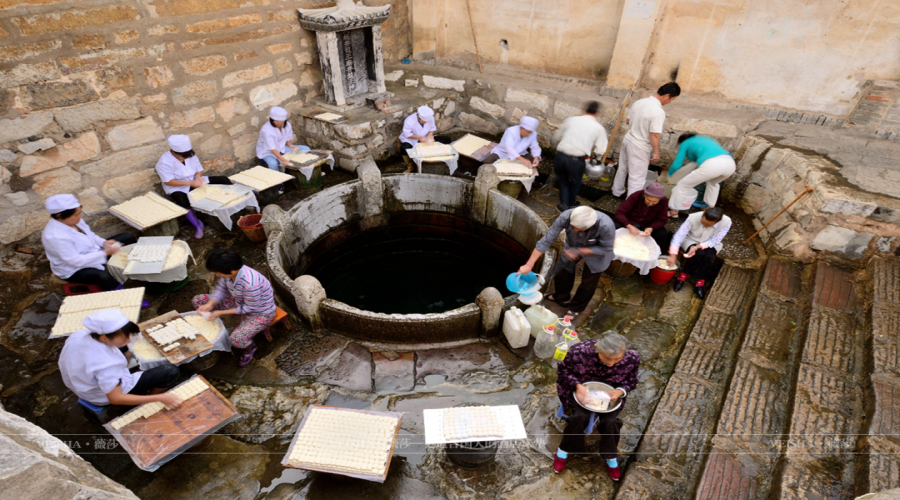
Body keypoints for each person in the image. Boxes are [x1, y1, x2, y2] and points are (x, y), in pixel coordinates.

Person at [553, 332, 639, 480]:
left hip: (611, 394)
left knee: (610, 422)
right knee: (579, 417)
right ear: (597, 348)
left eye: (617, 359)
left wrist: (620, 391)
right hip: (580, 391)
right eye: (606, 358)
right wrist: (577, 386)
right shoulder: (579, 352)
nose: (611, 363)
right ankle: (563, 450)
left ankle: (610, 457)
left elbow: (632, 380)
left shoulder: (632, 358)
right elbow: (563, 371)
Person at [59, 309, 181, 410]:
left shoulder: (79, 335)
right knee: (170, 371)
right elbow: (115, 398)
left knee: (127, 347)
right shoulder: (107, 365)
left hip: (80, 383)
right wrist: (160, 398)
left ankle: (127, 355)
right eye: (124, 339)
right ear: (103, 338)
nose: (128, 341)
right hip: (101, 395)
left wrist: (126, 351)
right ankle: (145, 404)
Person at [519, 206, 615, 318]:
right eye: (572, 227)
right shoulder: (566, 216)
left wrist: (580, 251)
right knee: (562, 271)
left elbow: (607, 248)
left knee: (588, 283)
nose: (575, 230)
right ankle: (562, 298)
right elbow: (546, 240)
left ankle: (576, 308)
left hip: (597, 253)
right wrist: (529, 264)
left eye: (580, 229)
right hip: (572, 245)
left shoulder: (606, 226)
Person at [193, 249, 277, 367]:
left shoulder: (250, 283)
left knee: (236, 339)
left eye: (218, 272)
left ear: (232, 270)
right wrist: (210, 304)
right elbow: (221, 288)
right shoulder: (230, 272)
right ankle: (213, 325)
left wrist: (221, 312)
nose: (217, 275)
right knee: (198, 300)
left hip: (260, 313)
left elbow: (249, 308)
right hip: (239, 302)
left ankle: (250, 347)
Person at [42, 193, 138, 292]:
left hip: (93, 252)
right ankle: (122, 294)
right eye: (76, 214)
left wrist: (104, 242)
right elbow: (75, 261)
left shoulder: (73, 220)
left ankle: (136, 271)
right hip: (74, 269)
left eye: (79, 213)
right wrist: (105, 252)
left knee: (127, 237)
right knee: (103, 276)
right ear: (59, 215)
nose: (80, 217)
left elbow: (90, 235)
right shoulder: (54, 236)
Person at [155, 134, 233, 239]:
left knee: (223, 180)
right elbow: (168, 181)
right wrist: (191, 184)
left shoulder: (190, 155)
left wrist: (197, 177)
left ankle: (231, 206)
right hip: (178, 186)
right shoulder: (164, 162)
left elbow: (199, 170)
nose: (185, 158)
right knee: (182, 200)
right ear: (173, 152)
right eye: (182, 156)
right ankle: (197, 225)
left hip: (194, 180)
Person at [612, 82, 681, 199]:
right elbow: (654, 135)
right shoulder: (658, 112)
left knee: (622, 169)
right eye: (672, 99)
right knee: (637, 178)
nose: (670, 102)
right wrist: (656, 152)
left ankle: (617, 191)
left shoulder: (639, 102)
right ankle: (631, 203)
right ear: (666, 96)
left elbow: (628, 121)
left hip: (628, 139)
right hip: (640, 145)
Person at [552, 101, 609, 212]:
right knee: (576, 182)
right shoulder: (598, 128)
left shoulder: (571, 120)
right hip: (576, 160)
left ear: (585, 110)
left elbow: (556, 137)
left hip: (560, 156)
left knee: (563, 180)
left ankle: (565, 204)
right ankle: (570, 203)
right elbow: (601, 149)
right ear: (597, 113)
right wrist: (596, 156)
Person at [665, 133, 736, 218]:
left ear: (682, 141)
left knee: (682, 186)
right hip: (730, 164)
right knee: (713, 183)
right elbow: (697, 160)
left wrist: (669, 174)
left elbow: (677, 164)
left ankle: (673, 212)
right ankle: (709, 208)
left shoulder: (685, 143)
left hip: (712, 165)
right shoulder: (707, 139)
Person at [666, 207, 731, 299]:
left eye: (708, 225)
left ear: (716, 222)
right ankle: (683, 275)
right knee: (699, 254)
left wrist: (697, 247)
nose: (704, 225)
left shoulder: (726, 222)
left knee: (709, 257)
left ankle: (701, 281)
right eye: (703, 222)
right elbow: (679, 236)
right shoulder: (692, 218)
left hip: (710, 242)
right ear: (703, 214)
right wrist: (673, 255)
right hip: (691, 239)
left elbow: (716, 239)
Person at [613, 182, 672, 252]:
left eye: (655, 202)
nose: (650, 203)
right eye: (648, 200)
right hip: (630, 220)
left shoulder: (664, 201)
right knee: (613, 225)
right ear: (645, 195)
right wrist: (628, 225)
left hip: (647, 224)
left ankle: (658, 254)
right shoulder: (636, 196)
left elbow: (662, 219)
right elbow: (619, 213)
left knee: (662, 234)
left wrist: (651, 228)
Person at [397, 105, 452, 173]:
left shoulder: (430, 118)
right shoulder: (409, 121)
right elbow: (407, 134)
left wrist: (430, 134)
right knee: (404, 148)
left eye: (426, 122)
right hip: (412, 139)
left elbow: (432, 128)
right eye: (423, 122)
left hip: (426, 138)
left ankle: (444, 161)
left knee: (447, 139)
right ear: (418, 117)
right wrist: (419, 137)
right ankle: (410, 166)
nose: (425, 123)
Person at [257, 106, 308, 173]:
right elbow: (272, 148)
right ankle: (278, 179)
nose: (279, 123)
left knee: (306, 149)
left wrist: (291, 146)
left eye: (282, 121)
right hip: (268, 151)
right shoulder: (266, 129)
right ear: (272, 120)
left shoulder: (287, 125)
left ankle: (300, 172)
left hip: (282, 148)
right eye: (277, 121)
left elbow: (288, 140)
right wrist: (283, 160)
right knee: (273, 163)